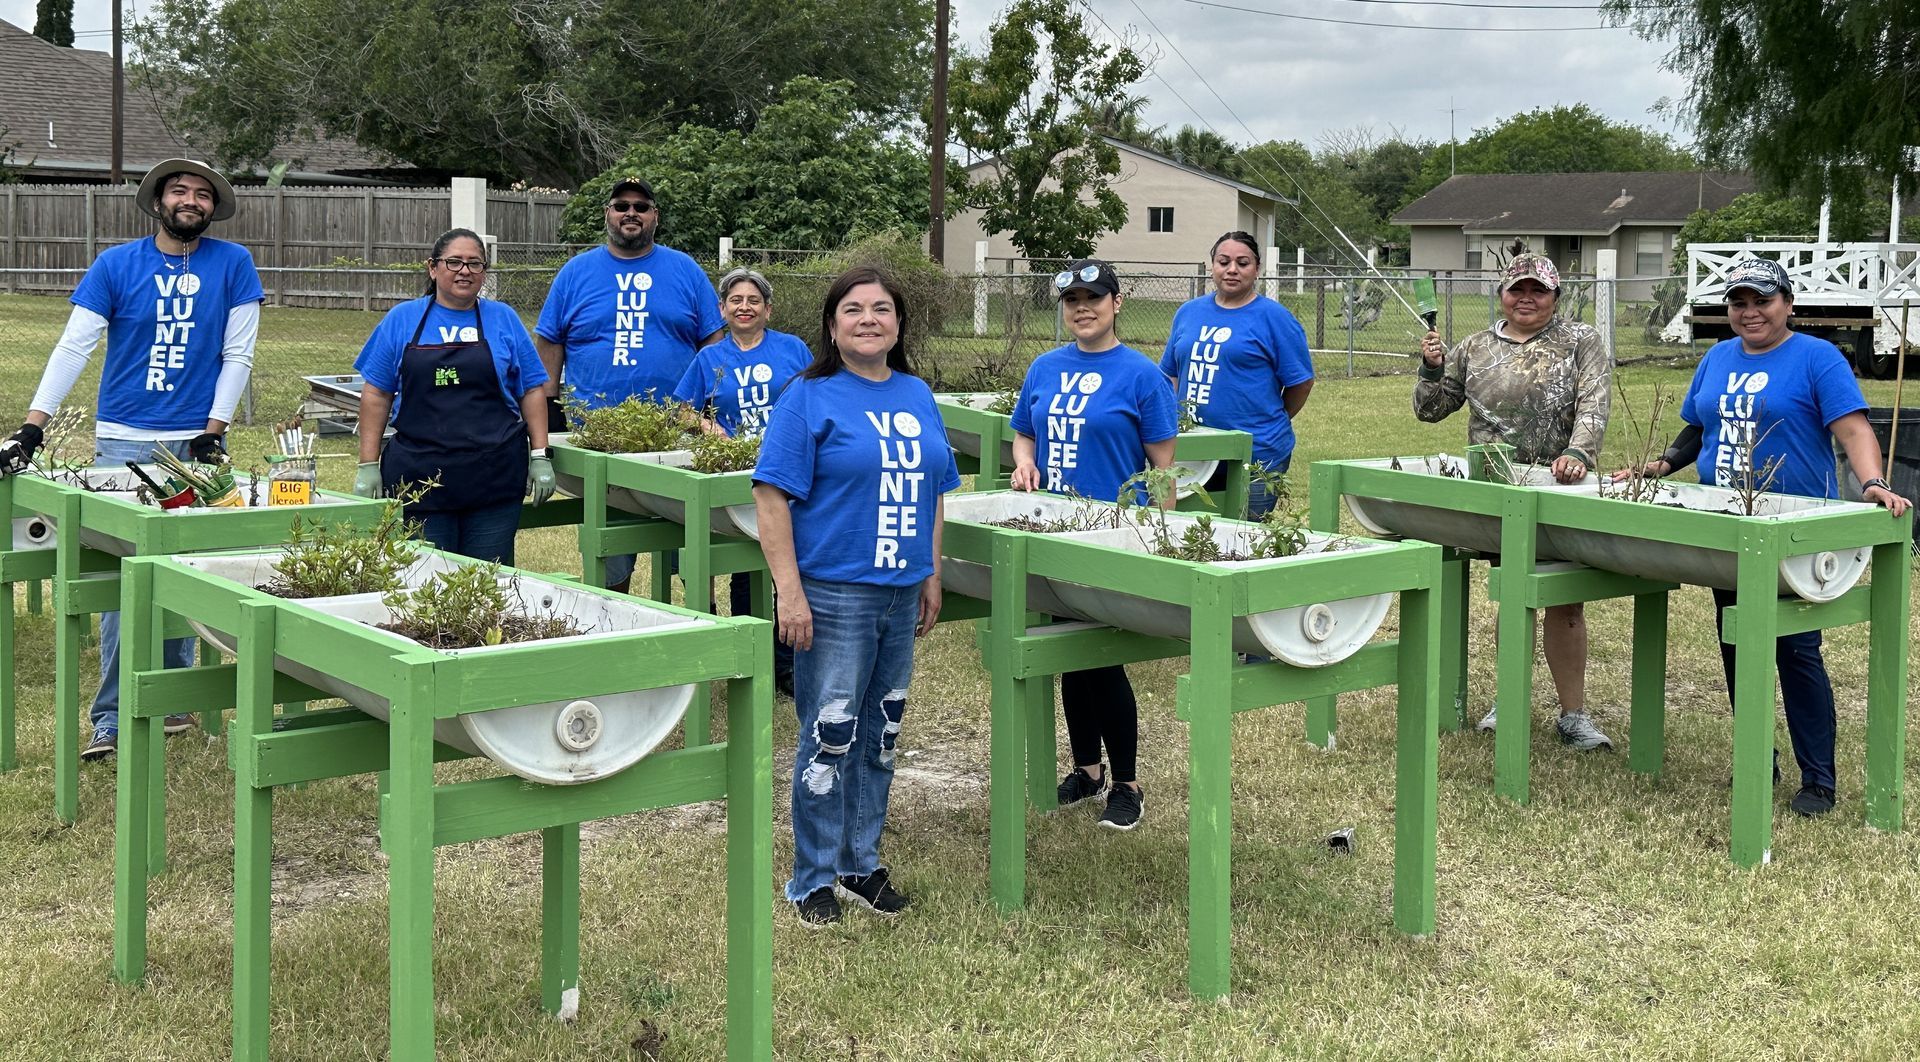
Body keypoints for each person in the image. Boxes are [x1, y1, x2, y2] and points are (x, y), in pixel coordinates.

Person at [1614, 257, 1910, 817]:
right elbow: (1700, 428)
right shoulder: (1716, 357)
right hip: (1726, 522)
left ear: (1788, 305)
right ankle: (1758, 757)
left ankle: (1818, 780)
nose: (1750, 312)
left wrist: (1872, 481)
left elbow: (1852, 428)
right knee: (1738, 643)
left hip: (1794, 525)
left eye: (1763, 301)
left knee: (1797, 651)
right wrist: (1660, 465)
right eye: (1738, 302)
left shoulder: (1817, 358)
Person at [0, 159, 262, 762]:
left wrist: (214, 430)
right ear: (157, 201)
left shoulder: (234, 265)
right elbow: (76, 344)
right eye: (179, 190)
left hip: (194, 444)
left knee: (188, 575)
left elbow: (238, 354)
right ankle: (114, 718)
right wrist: (31, 428)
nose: (190, 200)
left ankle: (173, 700)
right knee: (123, 583)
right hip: (121, 440)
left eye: (202, 193)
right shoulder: (116, 264)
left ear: (211, 207)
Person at [751, 267, 961, 926]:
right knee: (829, 736)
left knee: (882, 733)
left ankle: (859, 864)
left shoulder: (917, 393)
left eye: (881, 309)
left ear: (898, 324)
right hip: (835, 593)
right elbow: (770, 496)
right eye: (852, 309)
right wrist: (790, 591)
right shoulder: (808, 397)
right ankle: (811, 877)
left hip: (901, 594)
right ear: (832, 325)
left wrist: (930, 570)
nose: (868, 319)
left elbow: (935, 490)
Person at [1414, 251, 1613, 749]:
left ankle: (1573, 715)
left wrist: (1578, 452)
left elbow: (1594, 400)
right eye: (1517, 289)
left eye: (1538, 290)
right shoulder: (1474, 346)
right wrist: (1431, 368)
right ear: (1501, 294)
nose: (1526, 298)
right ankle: (1510, 699)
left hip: (1562, 486)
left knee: (1565, 602)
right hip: (1499, 489)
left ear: (1555, 296)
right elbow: (1430, 410)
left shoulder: (1580, 341)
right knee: (1514, 594)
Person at [1009, 259, 1179, 831]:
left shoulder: (1142, 376)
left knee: (1103, 660)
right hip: (1051, 527)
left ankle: (1127, 784)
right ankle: (1087, 770)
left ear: (1117, 302)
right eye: (1072, 300)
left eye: (1094, 297)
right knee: (1068, 658)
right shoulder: (1044, 366)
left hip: (1112, 534)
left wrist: (1158, 540)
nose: (1082, 308)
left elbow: (1162, 472)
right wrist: (1025, 462)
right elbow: (1023, 430)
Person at [535, 174, 724, 592]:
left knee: (690, 543)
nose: (631, 213)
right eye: (622, 206)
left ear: (655, 216)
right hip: (601, 436)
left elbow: (713, 341)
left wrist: (709, 404)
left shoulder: (685, 271)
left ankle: (696, 621)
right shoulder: (576, 273)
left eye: (641, 206)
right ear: (608, 214)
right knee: (610, 546)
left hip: (676, 431)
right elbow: (550, 341)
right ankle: (610, 615)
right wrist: (550, 412)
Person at [352, 228, 552, 563]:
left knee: (490, 581)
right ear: (433, 268)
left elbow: (531, 389)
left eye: (475, 264)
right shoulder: (402, 319)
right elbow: (376, 394)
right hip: (420, 478)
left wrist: (541, 454)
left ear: (484, 272)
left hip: (494, 475)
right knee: (425, 580)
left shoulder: (503, 318)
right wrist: (368, 464)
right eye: (454, 262)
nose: (465, 271)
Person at [671, 267, 809, 693]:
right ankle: (757, 659)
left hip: (788, 470)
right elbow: (682, 408)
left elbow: (817, 394)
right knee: (747, 567)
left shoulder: (793, 350)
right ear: (722, 309)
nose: (744, 307)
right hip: (736, 474)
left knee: (790, 564)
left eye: (753, 301)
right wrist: (712, 430)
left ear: (768, 308)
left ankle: (788, 665)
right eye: (735, 300)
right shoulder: (709, 358)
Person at [1160, 231, 1314, 517]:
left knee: (1243, 538)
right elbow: (1170, 374)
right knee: (1190, 532)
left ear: (1257, 269)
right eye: (1224, 261)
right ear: (1212, 267)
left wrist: (1271, 419)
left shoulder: (1274, 318)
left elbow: (1301, 383)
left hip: (1257, 453)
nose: (1232, 270)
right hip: (1194, 451)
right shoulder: (1188, 313)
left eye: (1242, 263)